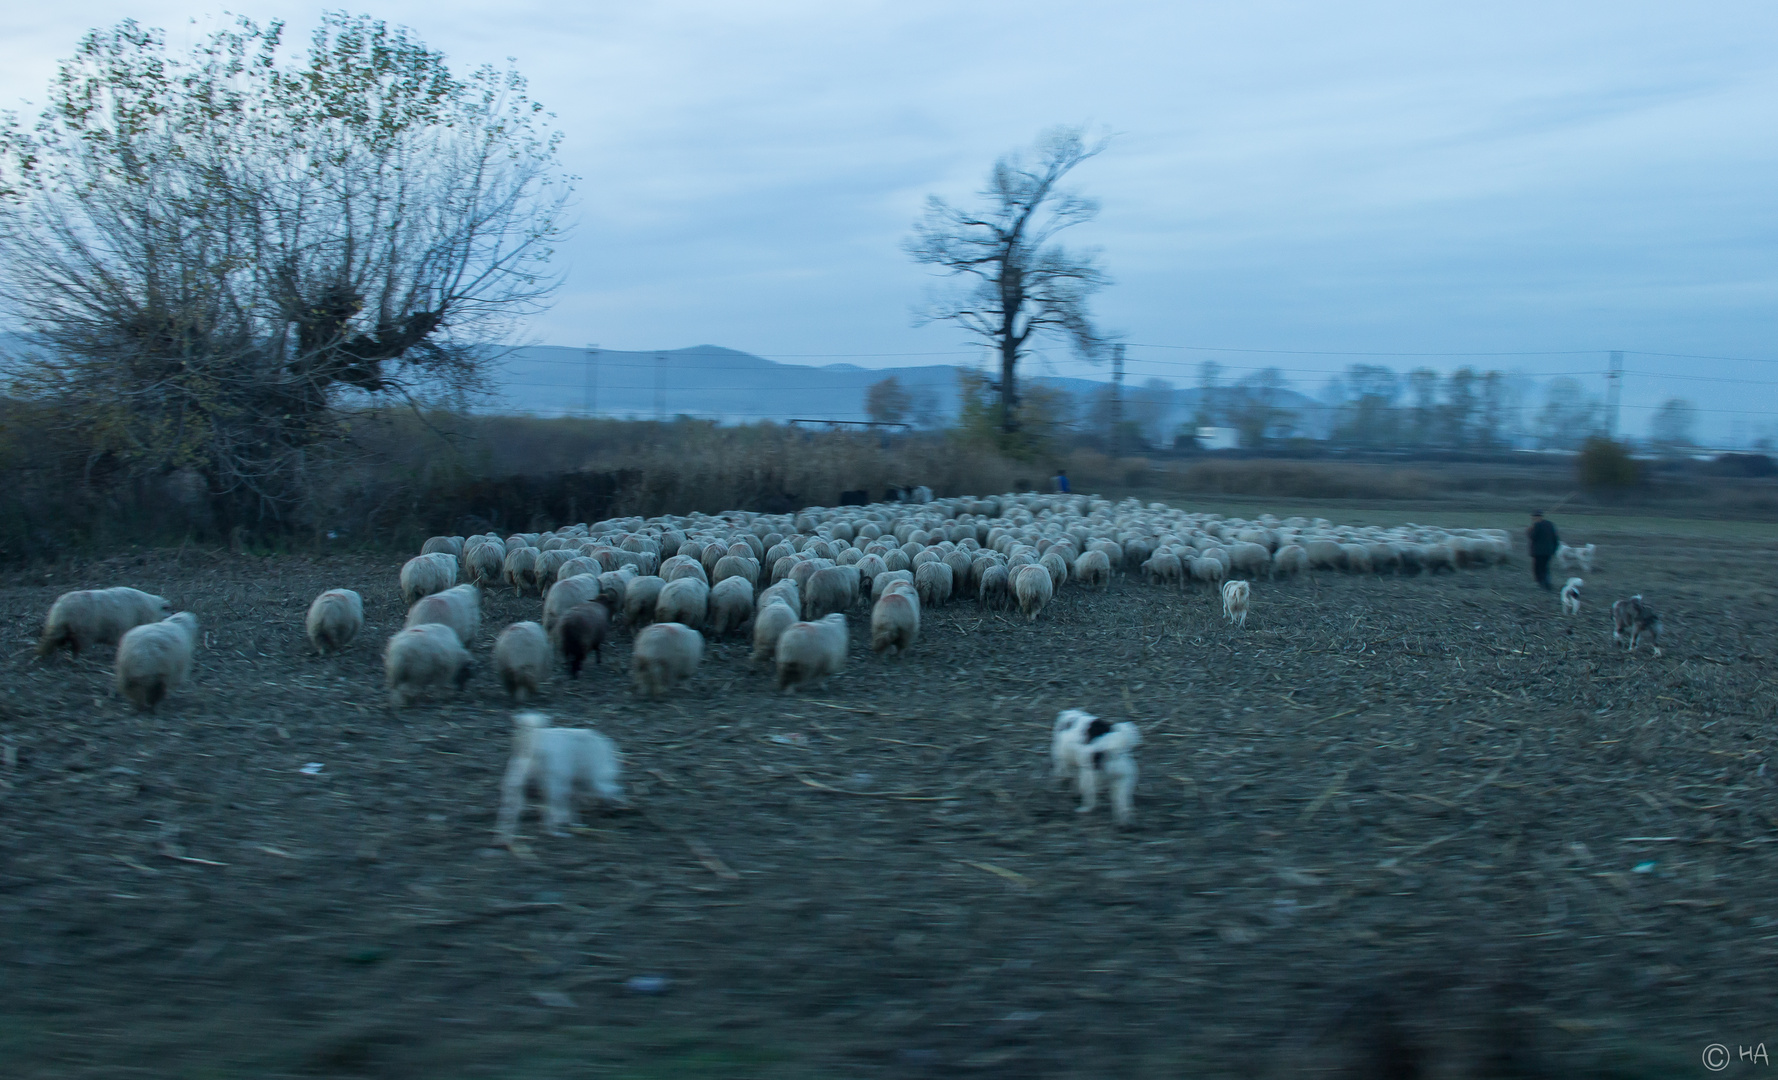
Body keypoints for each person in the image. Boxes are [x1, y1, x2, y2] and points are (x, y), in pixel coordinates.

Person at [1526, 510, 1559, 590]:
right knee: (1545, 568)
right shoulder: (1550, 524)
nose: (1532, 519)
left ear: (1537, 517)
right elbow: (1555, 538)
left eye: (1533, 518)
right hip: (1548, 551)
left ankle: (1543, 584)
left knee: (1538, 568)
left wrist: (1529, 530)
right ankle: (1546, 584)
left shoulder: (1536, 525)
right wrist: (1554, 549)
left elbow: (1532, 537)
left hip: (1538, 552)